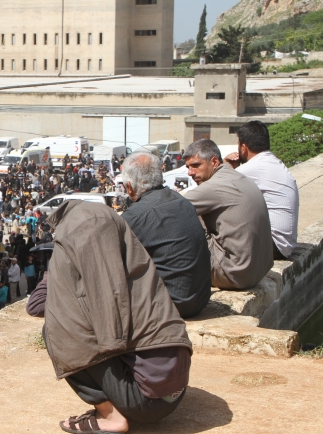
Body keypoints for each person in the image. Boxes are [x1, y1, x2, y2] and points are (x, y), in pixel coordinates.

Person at [27, 200, 192, 433]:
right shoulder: (135, 271)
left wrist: (56, 274)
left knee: (57, 329)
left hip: (146, 402)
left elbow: (37, 306)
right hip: (174, 394)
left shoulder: (86, 233)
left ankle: (112, 416)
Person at [121, 152, 211, 318]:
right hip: (199, 299)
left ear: (129, 186)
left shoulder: (136, 215)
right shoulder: (180, 200)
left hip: (171, 305)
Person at [183, 139, 274, 290]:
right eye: (188, 167)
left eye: (196, 165)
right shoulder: (238, 176)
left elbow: (170, 210)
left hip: (234, 274)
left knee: (183, 214)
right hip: (259, 271)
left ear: (214, 161)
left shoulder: (212, 187)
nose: (190, 172)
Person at [223, 120, 299, 259]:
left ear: (243, 148)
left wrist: (227, 164)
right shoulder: (271, 162)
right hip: (285, 245)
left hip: (274, 246)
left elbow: (215, 187)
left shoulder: (256, 166)